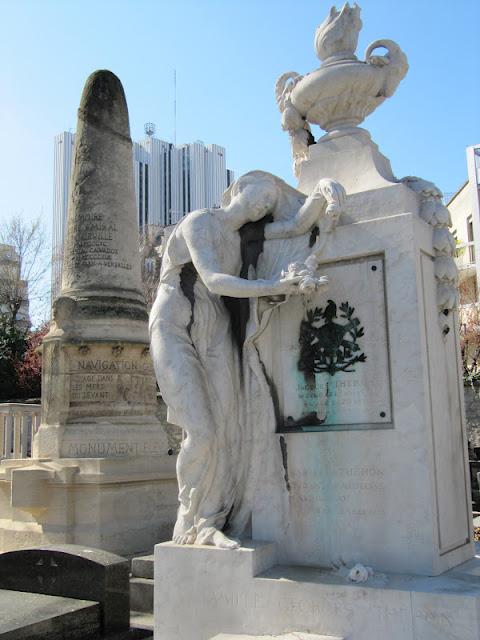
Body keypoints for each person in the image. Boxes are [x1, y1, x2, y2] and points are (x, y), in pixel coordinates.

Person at [149, 171, 343, 549]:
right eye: (260, 194)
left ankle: (211, 521)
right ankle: (190, 520)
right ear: (239, 189)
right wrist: (272, 287)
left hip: (217, 330)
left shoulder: (243, 239)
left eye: (270, 203)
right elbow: (214, 279)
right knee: (202, 431)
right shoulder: (200, 222)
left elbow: (298, 224)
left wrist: (323, 192)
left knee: (230, 428)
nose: (263, 204)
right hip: (175, 325)